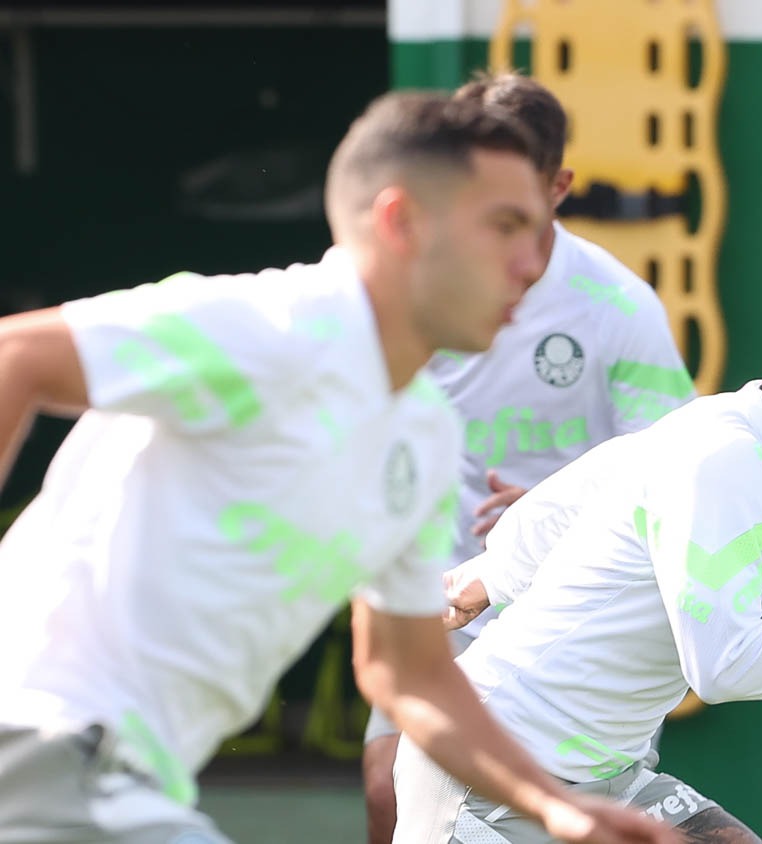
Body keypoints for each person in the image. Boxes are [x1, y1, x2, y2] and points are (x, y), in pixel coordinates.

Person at [0, 91, 675, 844]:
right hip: (42, 742)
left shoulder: (419, 437)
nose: (530, 262)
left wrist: (559, 808)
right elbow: (15, 356)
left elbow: (409, 674)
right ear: (400, 223)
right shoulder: (273, 327)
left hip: (122, 782)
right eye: (504, 227)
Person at [392, 269, 762, 843]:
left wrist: (497, 572)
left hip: (605, 775)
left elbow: (600, 474)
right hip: (483, 769)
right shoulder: (729, 460)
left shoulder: (745, 436)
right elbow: (724, 664)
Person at [362, 72, 695, 844]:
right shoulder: (420, 289)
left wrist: (551, 514)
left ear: (559, 186)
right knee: (389, 789)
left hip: (568, 617)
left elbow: (677, 473)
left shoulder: (621, 309)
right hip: (437, 588)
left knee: (568, 824)